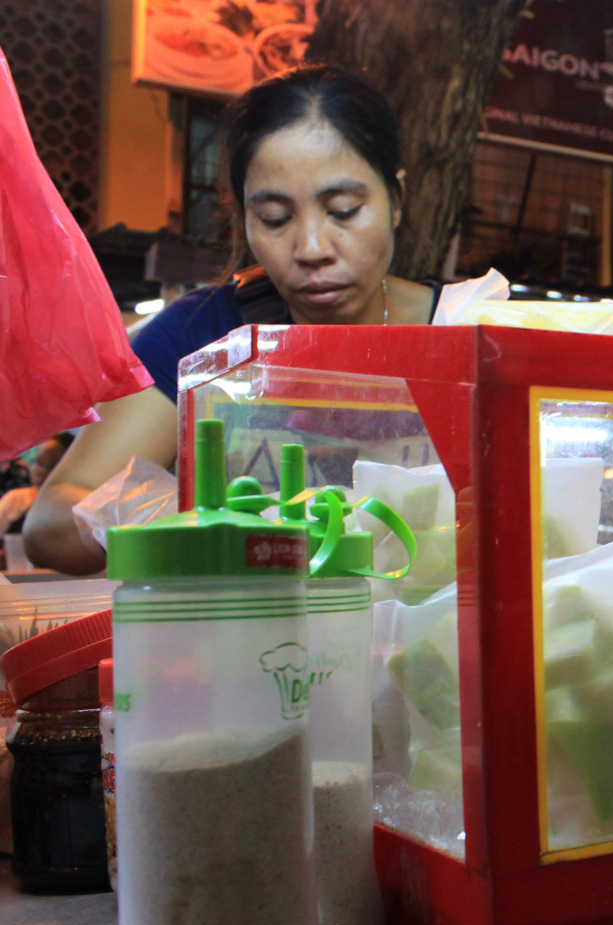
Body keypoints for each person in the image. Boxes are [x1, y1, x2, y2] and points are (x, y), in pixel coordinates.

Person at [24, 65, 439, 574]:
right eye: (276, 219)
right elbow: (49, 523)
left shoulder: (471, 329)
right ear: (243, 216)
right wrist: (199, 518)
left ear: (395, 201)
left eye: (344, 210)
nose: (312, 248)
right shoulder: (203, 335)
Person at [0, 433, 73, 534]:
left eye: (52, 465)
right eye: (39, 463)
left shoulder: (78, 507)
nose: (42, 472)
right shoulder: (16, 499)